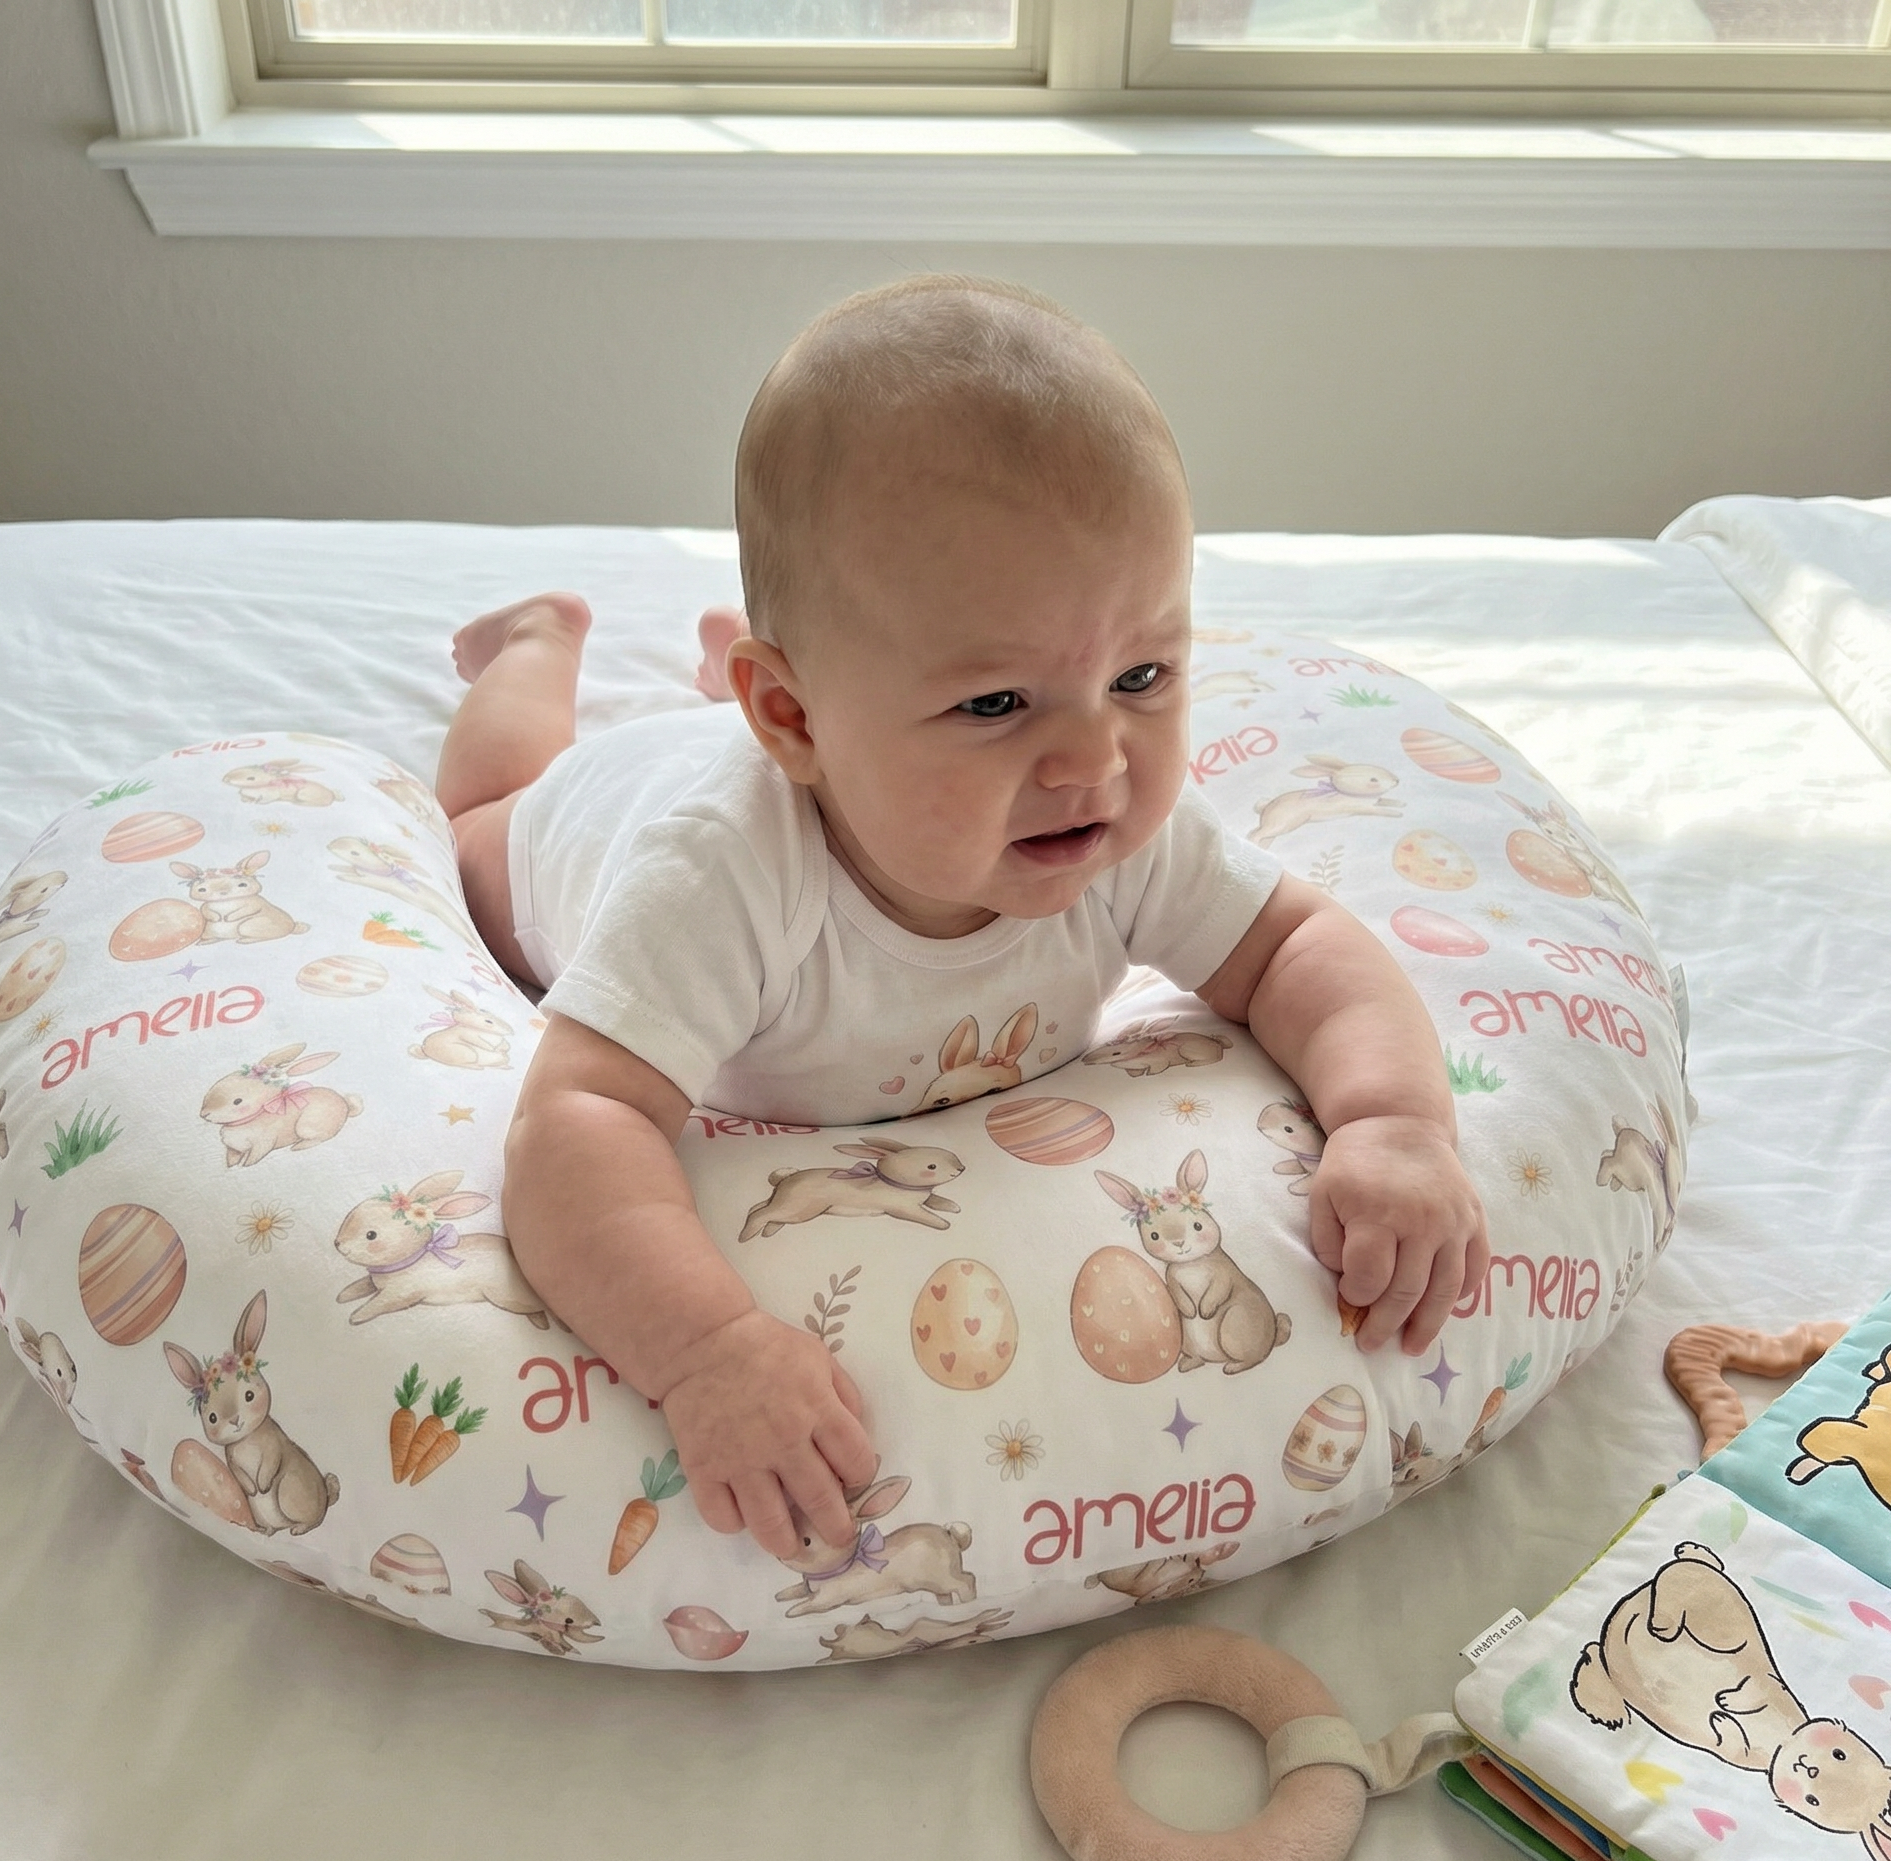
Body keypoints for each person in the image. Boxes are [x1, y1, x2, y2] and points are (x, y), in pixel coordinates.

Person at [436, 273, 1490, 1570]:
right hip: (582, 821)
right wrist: (709, 1354)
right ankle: (539, 646)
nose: (1093, 759)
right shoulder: (716, 877)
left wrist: (1394, 1123)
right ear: (795, 723)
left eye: (1143, 675)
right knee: (482, 803)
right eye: (997, 705)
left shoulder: (1117, 831)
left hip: (808, 722)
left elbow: (1296, 947)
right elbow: (577, 1127)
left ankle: (737, 667)